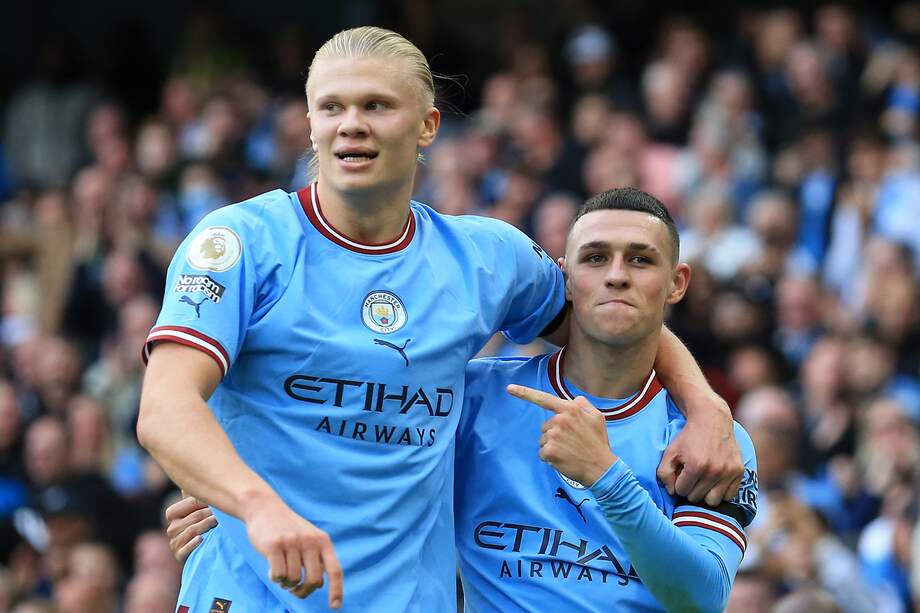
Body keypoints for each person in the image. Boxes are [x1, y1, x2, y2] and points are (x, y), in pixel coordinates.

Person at [139, 27, 742, 612]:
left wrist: (705, 405)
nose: (352, 123)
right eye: (332, 106)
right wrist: (252, 502)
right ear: (311, 123)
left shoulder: (486, 258)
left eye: (376, 104)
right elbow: (164, 408)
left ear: (429, 125)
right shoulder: (242, 242)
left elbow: (613, 314)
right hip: (252, 593)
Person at [454, 188, 757, 611]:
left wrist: (604, 475)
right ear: (565, 279)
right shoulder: (476, 397)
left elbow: (702, 598)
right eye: (595, 258)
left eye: (641, 259)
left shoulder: (712, 441)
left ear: (677, 283)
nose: (616, 275)